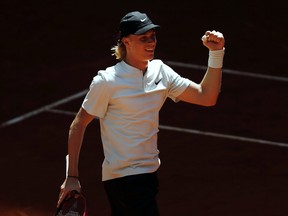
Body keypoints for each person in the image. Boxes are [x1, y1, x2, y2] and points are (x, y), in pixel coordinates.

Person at [57, 11, 225, 216]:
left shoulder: (161, 72)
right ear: (126, 41)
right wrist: (72, 176)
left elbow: (206, 96)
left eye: (153, 36)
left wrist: (216, 53)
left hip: (148, 176)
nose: (151, 42)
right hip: (124, 178)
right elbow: (79, 124)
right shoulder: (107, 81)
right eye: (143, 38)